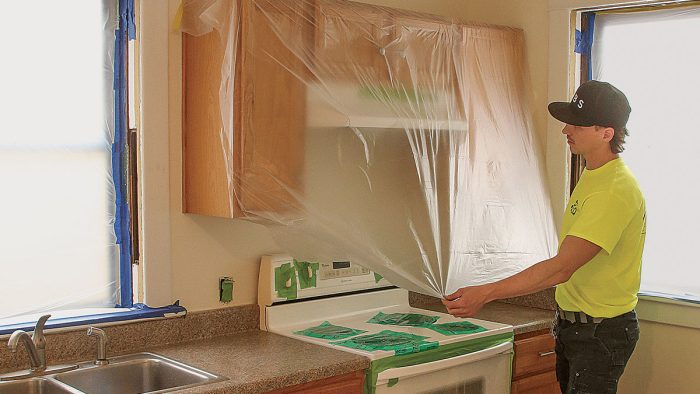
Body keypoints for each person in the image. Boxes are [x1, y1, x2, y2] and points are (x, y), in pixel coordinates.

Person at [442, 80, 645, 394]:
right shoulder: (594, 175)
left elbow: (561, 268)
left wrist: (486, 292)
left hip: (599, 333)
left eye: (577, 124)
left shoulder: (614, 190)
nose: (566, 130)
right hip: (576, 327)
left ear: (606, 133)